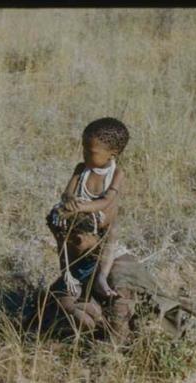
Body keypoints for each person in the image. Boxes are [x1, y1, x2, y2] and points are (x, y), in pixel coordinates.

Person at [46, 117, 130, 332]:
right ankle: (82, 305)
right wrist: (69, 201)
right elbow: (67, 193)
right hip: (79, 224)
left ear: (113, 153)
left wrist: (83, 207)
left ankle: (101, 278)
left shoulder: (117, 174)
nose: (84, 155)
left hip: (101, 226)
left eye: (90, 152)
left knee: (113, 235)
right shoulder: (81, 169)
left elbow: (106, 202)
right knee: (57, 221)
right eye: (83, 149)